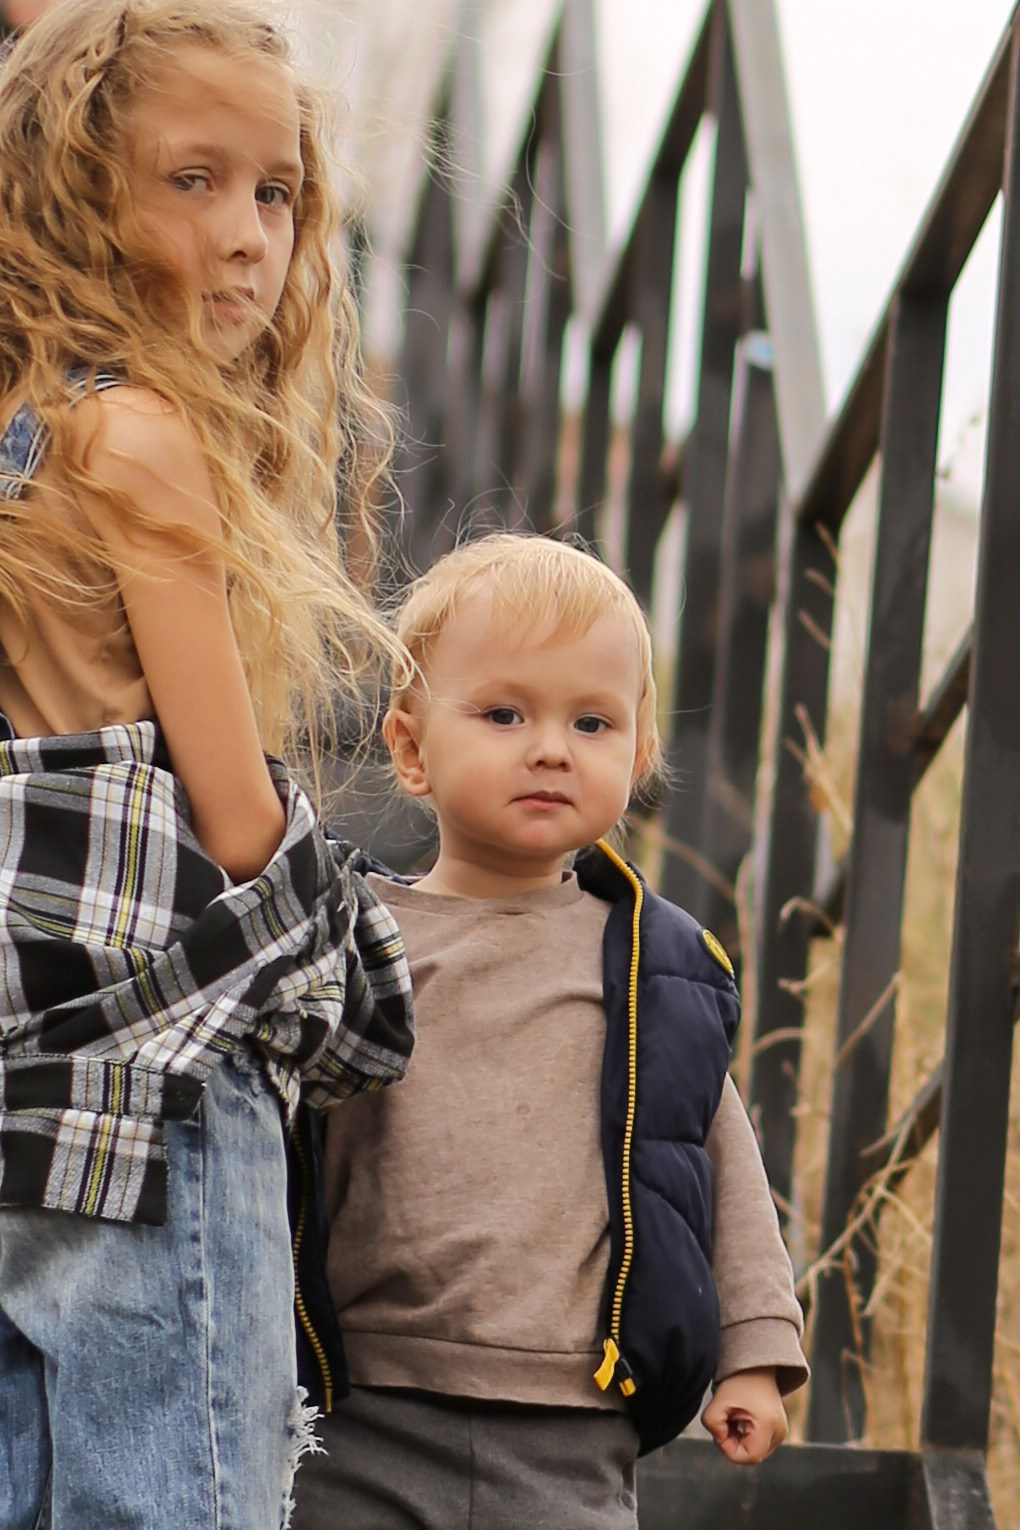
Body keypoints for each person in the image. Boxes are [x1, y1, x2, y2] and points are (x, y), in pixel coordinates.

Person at [0, 4, 416, 1528]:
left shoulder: (25, 439)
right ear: (69, 184)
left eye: (278, 191)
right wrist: (356, 964)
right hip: (156, 1077)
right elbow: (236, 812)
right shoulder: (145, 439)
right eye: (193, 181)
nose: (248, 238)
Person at [293, 532, 809, 1530]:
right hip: (364, 1410)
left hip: (574, 1424)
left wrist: (752, 1354)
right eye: (503, 713)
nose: (550, 747)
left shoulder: (652, 966)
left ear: (639, 755)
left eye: (592, 721)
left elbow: (711, 1157)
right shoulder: (353, 941)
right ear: (408, 745)